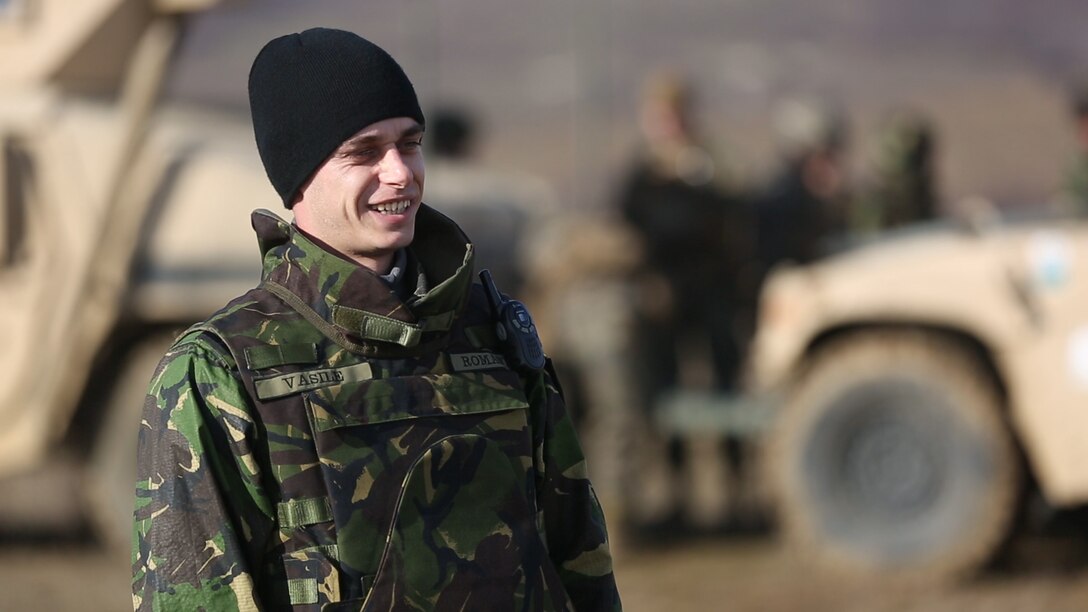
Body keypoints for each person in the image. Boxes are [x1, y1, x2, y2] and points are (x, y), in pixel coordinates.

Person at [131, 28, 620, 611]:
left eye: (409, 144)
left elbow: (576, 554)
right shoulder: (220, 372)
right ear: (299, 177)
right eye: (364, 152)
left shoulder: (493, 333)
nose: (400, 173)